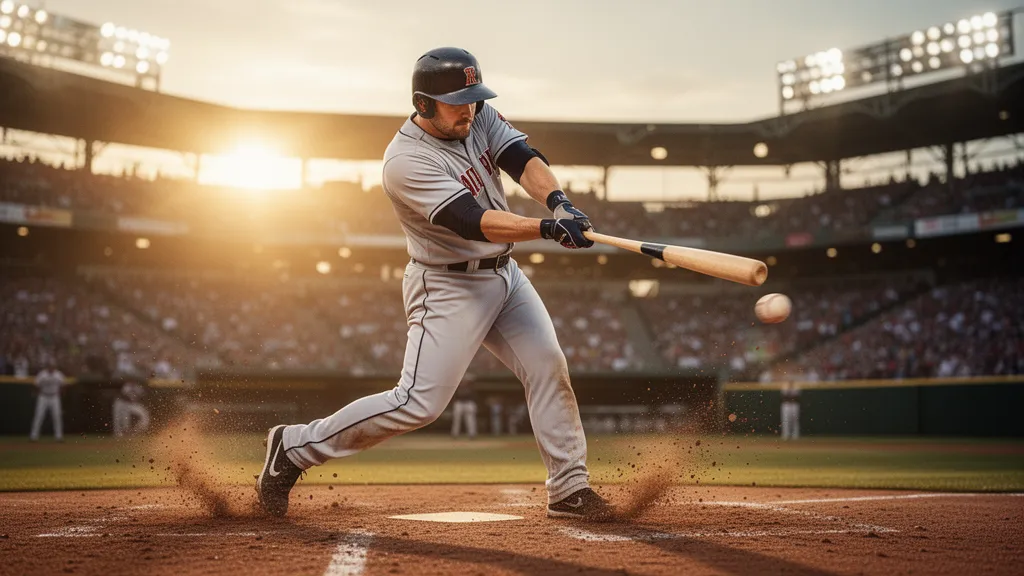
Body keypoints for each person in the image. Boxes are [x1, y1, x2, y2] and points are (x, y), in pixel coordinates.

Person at [258, 47, 610, 520]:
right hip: (448, 287)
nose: (470, 107)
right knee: (417, 404)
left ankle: (569, 488)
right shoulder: (404, 162)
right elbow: (472, 221)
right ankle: (294, 447)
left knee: (549, 364)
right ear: (424, 105)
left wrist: (559, 203)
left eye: (474, 97)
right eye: (457, 100)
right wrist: (545, 229)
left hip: (504, 276)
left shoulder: (476, 115)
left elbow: (521, 158)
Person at [30, 360, 65, 442]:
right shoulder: (42, 374)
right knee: (39, 416)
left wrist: (60, 393)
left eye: (53, 366)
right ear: (47, 367)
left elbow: (63, 385)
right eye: (50, 366)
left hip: (54, 396)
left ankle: (59, 437)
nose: (51, 368)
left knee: (57, 416)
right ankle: (33, 436)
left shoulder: (58, 374)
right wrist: (37, 393)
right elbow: (36, 385)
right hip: (43, 396)